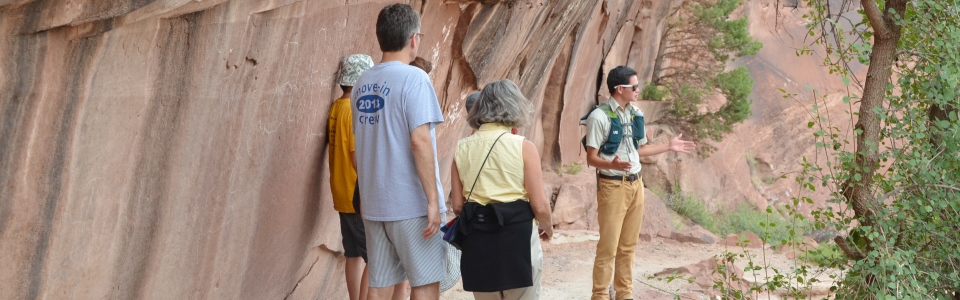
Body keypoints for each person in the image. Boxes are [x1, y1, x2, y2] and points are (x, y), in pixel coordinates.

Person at [351, 3, 446, 300]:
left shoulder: (362, 83)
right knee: (425, 281)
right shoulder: (415, 78)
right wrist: (432, 200)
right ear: (414, 39)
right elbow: (420, 141)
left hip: (375, 203)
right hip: (410, 204)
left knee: (380, 284)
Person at [583, 66, 695, 300]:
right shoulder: (599, 117)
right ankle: (600, 295)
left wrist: (668, 146)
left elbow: (640, 149)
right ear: (619, 89)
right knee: (608, 247)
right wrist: (611, 165)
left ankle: (624, 294)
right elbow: (591, 157)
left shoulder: (636, 114)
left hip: (636, 185)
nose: (638, 90)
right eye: (634, 86)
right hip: (613, 186)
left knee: (628, 246)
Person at [450, 79, 554, 300]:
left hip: (477, 240)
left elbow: (458, 206)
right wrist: (548, 228)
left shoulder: (462, 148)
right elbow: (539, 204)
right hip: (517, 239)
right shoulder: (523, 147)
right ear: (514, 106)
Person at [327, 53, 374, 300]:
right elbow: (357, 158)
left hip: (341, 191)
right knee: (375, 257)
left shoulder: (336, 107)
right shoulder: (356, 110)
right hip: (357, 195)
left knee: (353, 254)